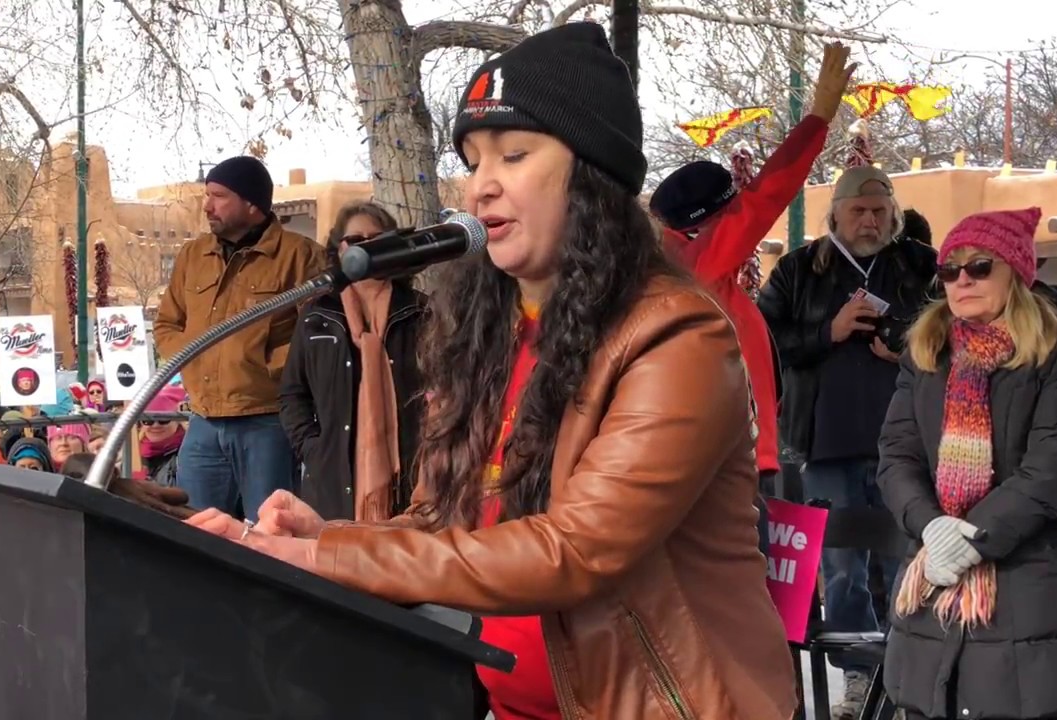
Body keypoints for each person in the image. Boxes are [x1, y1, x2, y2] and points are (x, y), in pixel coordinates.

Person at [187, 23, 794, 720]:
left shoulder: (677, 336)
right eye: (473, 162)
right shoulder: (491, 334)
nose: (481, 188)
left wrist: (327, 562)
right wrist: (321, 538)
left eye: (513, 154)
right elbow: (447, 524)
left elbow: (573, 551)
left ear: (592, 175)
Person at [877, 207, 1057, 720]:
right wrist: (931, 528)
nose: (962, 280)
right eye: (950, 270)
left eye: (980, 266)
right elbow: (896, 457)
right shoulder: (925, 356)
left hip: (1029, 589)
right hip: (932, 588)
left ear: (1015, 272)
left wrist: (969, 539)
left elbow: (1054, 469)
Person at [650, 44, 854, 552]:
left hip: (742, 461)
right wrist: (817, 120)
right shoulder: (698, 268)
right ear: (712, 224)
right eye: (734, 212)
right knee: (745, 612)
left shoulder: (697, 274)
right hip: (727, 471)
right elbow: (769, 193)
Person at [757, 164, 937, 717]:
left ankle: (908, 674)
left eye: (880, 210)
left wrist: (909, 344)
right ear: (834, 213)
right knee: (842, 568)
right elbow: (763, 341)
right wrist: (825, 333)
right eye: (859, 210)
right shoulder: (798, 270)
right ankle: (859, 678)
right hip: (825, 441)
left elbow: (957, 327)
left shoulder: (918, 264)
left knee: (911, 563)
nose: (870, 220)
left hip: (907, 440)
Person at [154, 155, 326, 520]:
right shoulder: (193, 255)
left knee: (270, 531)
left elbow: (317, 338)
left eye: (218, 196)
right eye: (207, 195)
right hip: (202, 419)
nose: (207, 206)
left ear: (251, 204)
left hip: (266, 422)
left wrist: (265, 368)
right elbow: (168, 323)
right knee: (193, 529)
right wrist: (190, 363)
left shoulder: (300, 256)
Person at [278, 201, 428, 522]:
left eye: (377, 238)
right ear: (339, 248)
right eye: (356, 240)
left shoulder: (423, 312)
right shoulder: (317, 315)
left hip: (413, 478)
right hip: (334, 481)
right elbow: (293, 394)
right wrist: (313, 449)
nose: (367, 247)